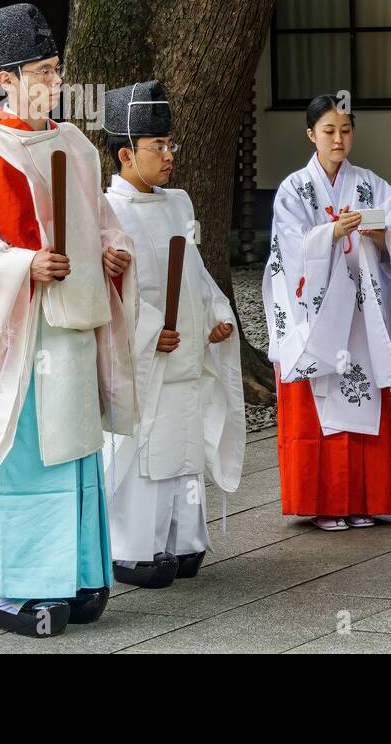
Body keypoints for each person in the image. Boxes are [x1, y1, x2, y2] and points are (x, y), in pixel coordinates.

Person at [0, 3, 136, 636]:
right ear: (5, 77)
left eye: (56, 69)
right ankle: (21, 589)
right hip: (20, 336)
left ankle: (78, 575)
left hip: (72, 327)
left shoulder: (76, 147)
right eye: (42, 71)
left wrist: (110, 251)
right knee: (28, 460)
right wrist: (21, 267)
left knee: (76, 451)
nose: (54, 82)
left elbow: (101, 219)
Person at [102, 81, 245, 587]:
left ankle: (184, 541)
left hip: (185, 346)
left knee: (186, 445)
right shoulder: (107, 211)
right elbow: (107, 290)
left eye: (170, 144)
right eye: (157, 147)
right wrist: (145, 332)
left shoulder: (179, 203)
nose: (168, 155)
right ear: (126, 153)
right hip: (147, 354)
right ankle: (135, 547)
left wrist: (214, 317)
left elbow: (196, 271)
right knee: (148, 452)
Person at [264, 95, 391, 531]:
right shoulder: (295, 188)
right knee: (318, 403)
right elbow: (288, 248)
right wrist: (332, 231)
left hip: (359, 314)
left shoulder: (371, 184)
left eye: (345, 131)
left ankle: (363, 500)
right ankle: (326, 504)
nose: (338, 139)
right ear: (311, 134)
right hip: (314, 314)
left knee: (360, 399)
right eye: (329, 131)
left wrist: (381, 233)